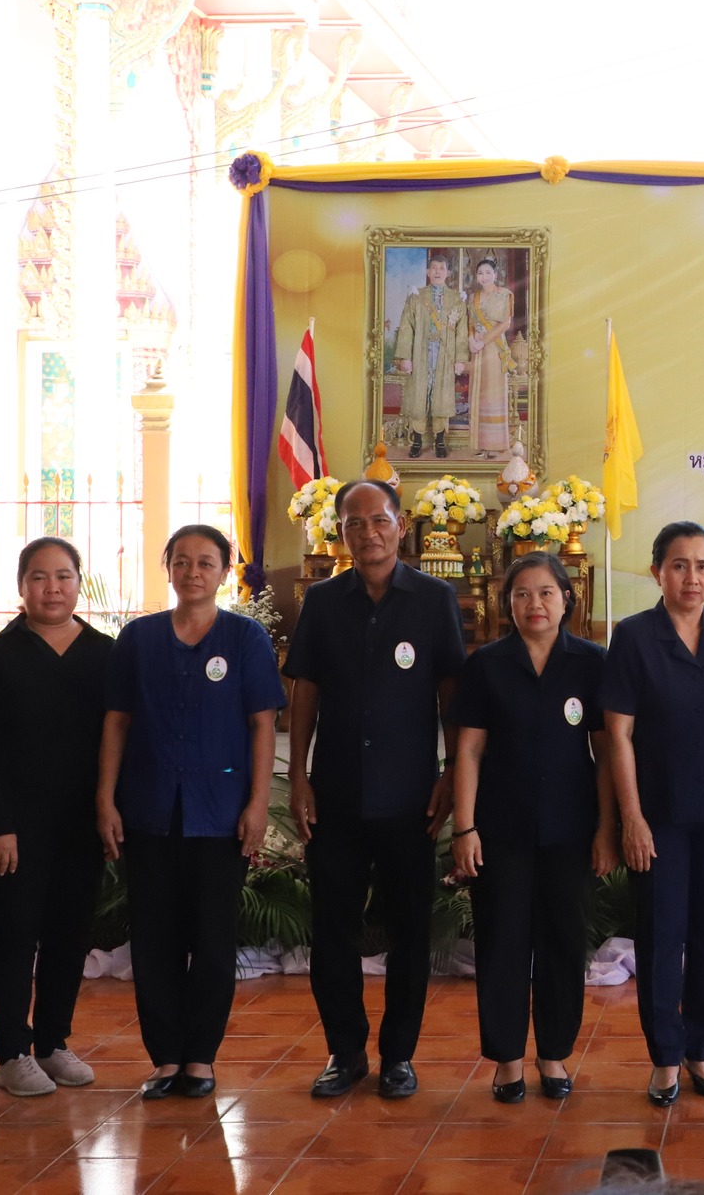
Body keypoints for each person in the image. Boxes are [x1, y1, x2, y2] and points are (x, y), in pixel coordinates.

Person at [284, 479, 467, 1101]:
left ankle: (398, 1057)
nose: (368, 533)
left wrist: (448, 774)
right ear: (341, 534)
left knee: (409, 930)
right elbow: (303, 688)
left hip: (409, 796)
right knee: (332, 929)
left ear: (401, 525)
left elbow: (450, 691)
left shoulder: (434, 599)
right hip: (334, 794)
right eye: (354, 524)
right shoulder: (323, 601)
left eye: (379, 521)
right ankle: (344, 1052)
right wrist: (300, 777)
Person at [96, 525, 283, 1099]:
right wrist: (105, 797)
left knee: (212, 935)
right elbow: (117, 721)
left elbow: (262, 723)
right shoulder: (139, 638)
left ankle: (200, 1057)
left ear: (225, 571)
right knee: (153, 936)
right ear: (167, 567)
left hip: (220, 812)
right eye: (183, 561)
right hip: (149, 808)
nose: (194, 572)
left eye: (206, 562)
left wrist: (257, 803)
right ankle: (165, 1058)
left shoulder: (244, 637)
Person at [602, 522, 704, 1107]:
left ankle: (700, 1048)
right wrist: (632, 816)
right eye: (678, 565)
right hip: (660, 817)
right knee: (660, 935)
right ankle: (665, 1058)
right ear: (656, 572)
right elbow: (618, 734)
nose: (691, 577)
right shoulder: (634, 636)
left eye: (702, 565)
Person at [449, 553, 616, 1103]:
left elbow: (605, 750)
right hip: (501, 828)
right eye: (522, 594)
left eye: (546, 592)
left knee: (564, 942)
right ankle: (507, 1059)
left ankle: (553, 1053)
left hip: (572, 830)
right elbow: (468, 750)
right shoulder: (487, 664)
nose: (534, 604)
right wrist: (465, 828)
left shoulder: (592, 663)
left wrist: (606, 828)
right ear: (508, 604)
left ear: (567, 599)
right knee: (503, 941)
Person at [0, 537, 114, 1097]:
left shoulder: (104, 653)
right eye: (40, 577)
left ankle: (52, 1043)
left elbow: (117, 739)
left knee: (69, 936)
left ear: (79, 582)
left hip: (81, 822)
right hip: (15, 827)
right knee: (14, 937)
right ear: (21, 586)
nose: (53, 588)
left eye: (64, 576)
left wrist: (110, 808)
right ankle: (11, 1052)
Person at [393, 251, 465, 460]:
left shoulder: (456, 300)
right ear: (427, 271)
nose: (437, 272)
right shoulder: (417, 297)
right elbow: (407, 327)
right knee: (418, 395)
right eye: (434, 268)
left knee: (442, 395)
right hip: (421, 353)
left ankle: (440, 441)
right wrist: (406, 356)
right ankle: (416, 441)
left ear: (448, 273)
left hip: (445, 355)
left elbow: (461, 332)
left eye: (442, 268)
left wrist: (460, 359)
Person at [468, 255, 515, 456]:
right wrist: (471, 340)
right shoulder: (473, 298)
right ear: (477, 276)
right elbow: (469, 323)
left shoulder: (505, 295)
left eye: (488, 272)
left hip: (495, 348)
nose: (484, 276)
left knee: (494, 395)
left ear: (495, 274)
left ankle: (497, 444)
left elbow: (505, 323)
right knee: (479, 394)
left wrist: (483, 340)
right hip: (477, 350)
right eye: (480, 273)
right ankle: (482, 444)